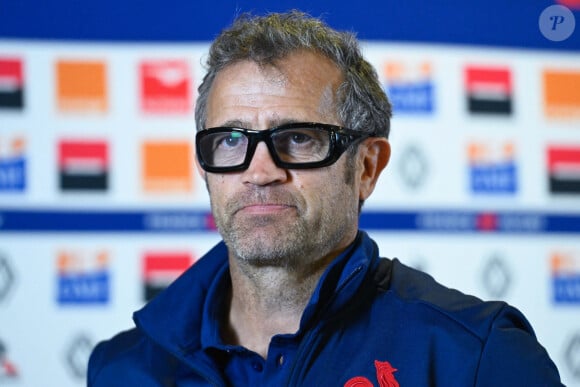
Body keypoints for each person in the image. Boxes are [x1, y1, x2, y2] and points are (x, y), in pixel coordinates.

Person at [88, 11, 563, 386]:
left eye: (298, 139)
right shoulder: (122, 368)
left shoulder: (479, 357)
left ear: (366, 168)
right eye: (230, 141)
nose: (260, 171)